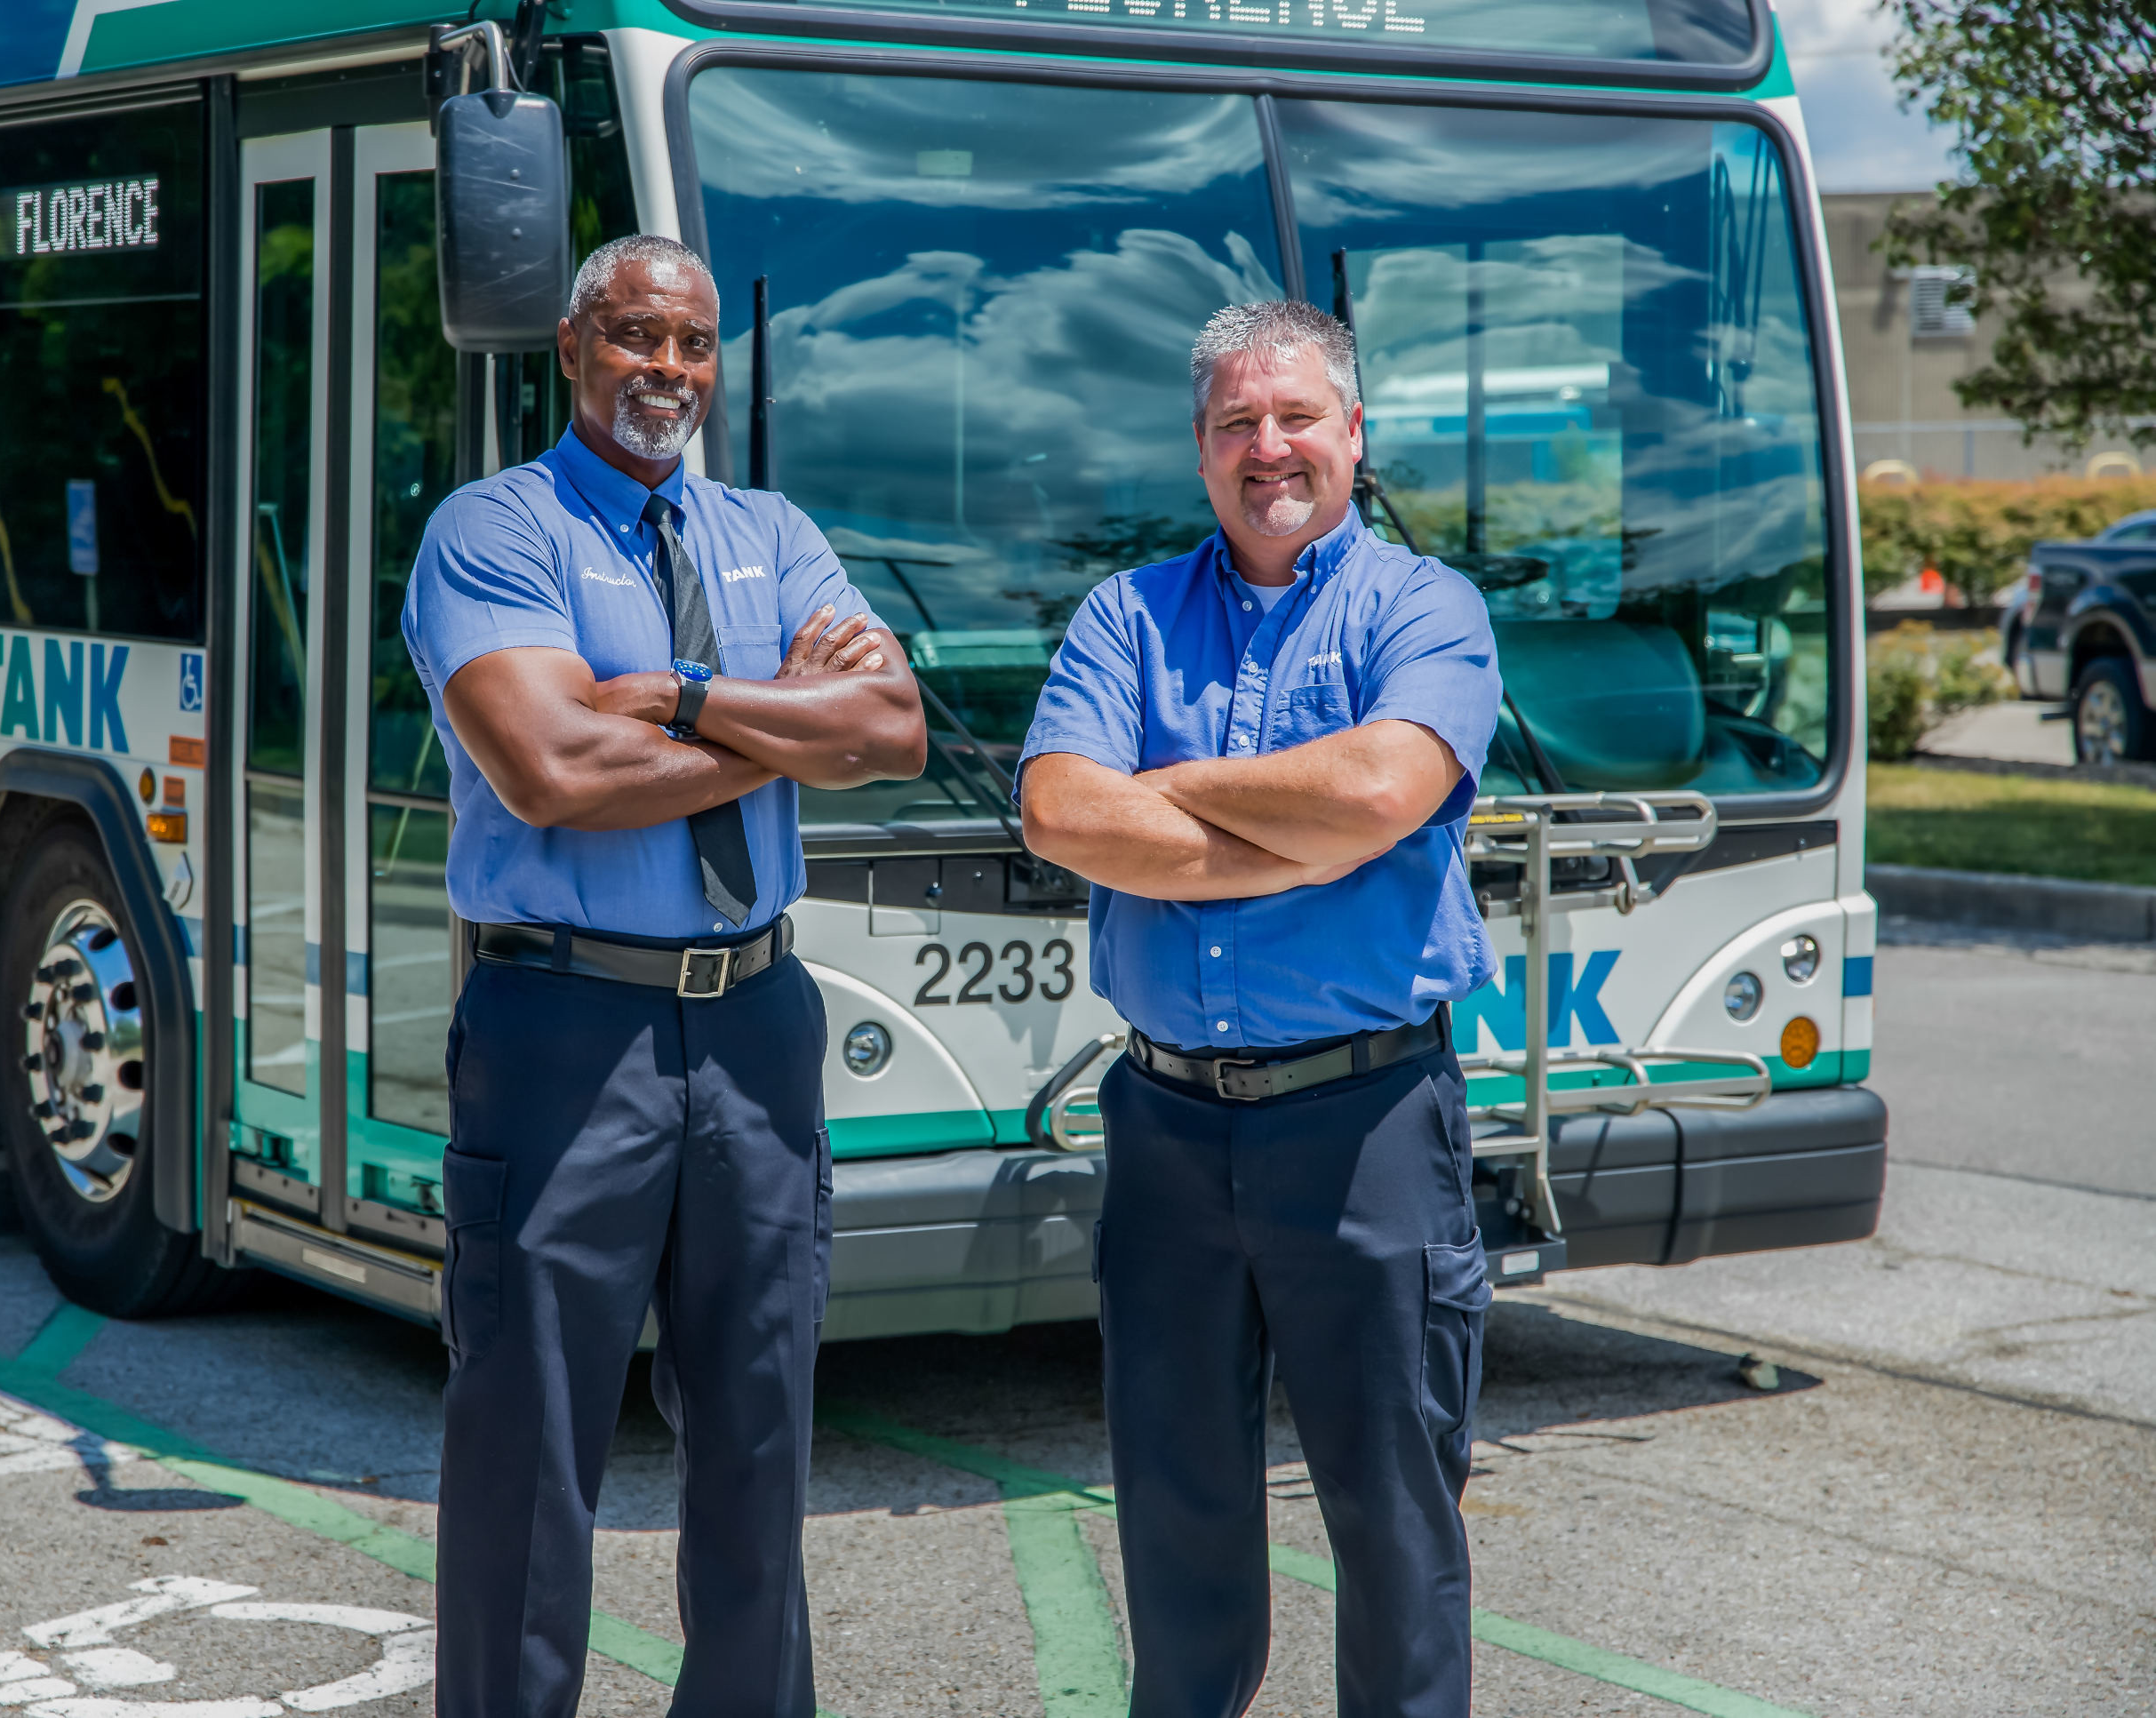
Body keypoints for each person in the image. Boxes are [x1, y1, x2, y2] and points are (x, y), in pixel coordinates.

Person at [401, 233, 926, 1718]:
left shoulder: (774, 529)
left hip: (758, 1023)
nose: (669, 368)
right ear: (573, 348)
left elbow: (893, 731)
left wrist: (686, 697)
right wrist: (786, 720)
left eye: (693, 342)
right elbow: (557, 770)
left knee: (761, 1436)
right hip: (566, 1028)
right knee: (528, 1444)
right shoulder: (495, 530)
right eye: (637, 335)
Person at [1018, 299, 1503, 1718]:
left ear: (1354, 433)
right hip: (1165, 1126)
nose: (1268, 446)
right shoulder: (1127, 613)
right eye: (1237, 421)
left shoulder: (1424, 608)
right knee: (1176, 1510)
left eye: (1297, 416)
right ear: (1200, 447)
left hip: (1368, 1122)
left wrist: (1163, 792)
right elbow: (1059, 811)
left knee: (1396, 1512)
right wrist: (1300, 837)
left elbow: (1383, 787)